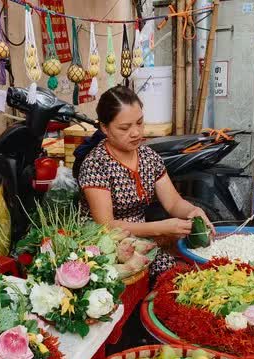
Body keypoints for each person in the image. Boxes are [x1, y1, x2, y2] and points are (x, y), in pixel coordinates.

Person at [74, 86, 214, 279]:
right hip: (103, 246)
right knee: (173, 276)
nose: (136, 132)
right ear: (105, 128)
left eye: (139, 123)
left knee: (188, 273)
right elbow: (105, 225)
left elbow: (173, 202)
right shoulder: (96, 164)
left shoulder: (149, 157)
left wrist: (192, 211)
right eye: (125, 128)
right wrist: (161, 228)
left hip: (141, 240)